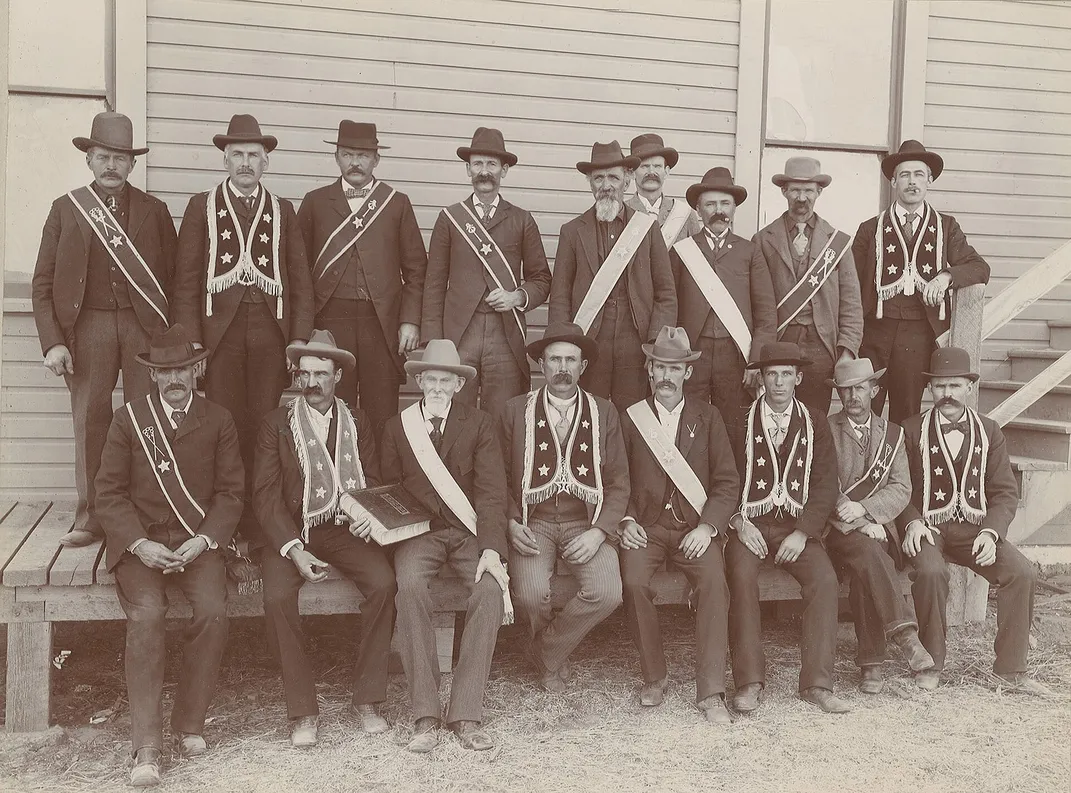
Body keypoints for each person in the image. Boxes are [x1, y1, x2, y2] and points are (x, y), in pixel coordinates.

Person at [93, 324, 244, 787]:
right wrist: (140, 543)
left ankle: (190, 723)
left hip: (197, 541)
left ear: (196, 369)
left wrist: (203, 540)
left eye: (180, 369)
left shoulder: (219, 419)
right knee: (146, 616)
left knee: (214, 610)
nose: (173, 379)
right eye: (163, 372)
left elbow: (231, 493)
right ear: (152, 376)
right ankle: (147, 746)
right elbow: (109, 493)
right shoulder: (129, 419)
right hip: (143, 544)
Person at [31, 111, 177, 548]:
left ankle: (147, 512)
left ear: (132, 165)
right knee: (91, 422)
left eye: (120, 158)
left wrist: (174, 343)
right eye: (103, 157)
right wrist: (53, 341)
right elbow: (42, 282)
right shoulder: (66, 209)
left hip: (142, 328)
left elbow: (173, 282)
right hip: (87, 326)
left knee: (145, 420)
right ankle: (92, 518)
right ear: (89, 160)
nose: (112, 166)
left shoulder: (155, 211)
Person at [171, 113, 314, 539]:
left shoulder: (282, 210)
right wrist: (195, 345)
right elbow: (186, 281)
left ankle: (260, 517)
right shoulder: (202, 206)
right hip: (220, 337)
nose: (246, 163)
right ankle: (226, 517)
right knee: (225, 422)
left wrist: (299, 341)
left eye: (254, 155)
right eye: (237, 155)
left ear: (266, 162)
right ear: (225, 160)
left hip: (271, 336)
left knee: (265, 423)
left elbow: (300, 282)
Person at [252, 330, 396, 747]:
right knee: (278, 597)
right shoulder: (276, 424)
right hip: (290, 533)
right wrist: (292, 549)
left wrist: (368, 517)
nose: (310, 382)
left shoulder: (358, 421)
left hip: (341, 529)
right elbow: (264, 494)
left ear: (338, 377)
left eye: (320, 374)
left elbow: (375, 483)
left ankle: (367, 699)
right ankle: (302, 711)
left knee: (384, 583)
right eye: (304, 373)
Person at [381, 339, 510, 753]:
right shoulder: (397, 427)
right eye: (430, 379)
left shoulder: (480, 423)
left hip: (469, 534)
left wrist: (491, 547)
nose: (437, 387)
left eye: (446, 380)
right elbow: (387, 490)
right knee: (410, 589)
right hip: (419, 535)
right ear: (419, 381)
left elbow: (491, 492)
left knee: (491, 589)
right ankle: (424, 714)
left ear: (458, 384)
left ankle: (466, 712)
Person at [896, 347, 1050, 695]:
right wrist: (911, 521)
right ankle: (931, 663)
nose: (947, 394)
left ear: (969, 387)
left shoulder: (990, 431)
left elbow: (1004, 493)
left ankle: (1011, 669)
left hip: (974, 529)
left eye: (954, 385)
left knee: (1022, 571)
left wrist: (992, 532)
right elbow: (899, 488)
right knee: (932, 571)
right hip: (927, 527)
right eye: (939, 386)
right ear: (930, 389)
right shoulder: (910, 430)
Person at [618, 326, 739, 723]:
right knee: (634, 581)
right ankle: (654, 676)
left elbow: (726, 482)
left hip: (694, 529)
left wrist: (707, 529)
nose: (666, 376)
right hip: (648, 528)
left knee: (714, 585)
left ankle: (711, 691)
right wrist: (627, 518)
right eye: (659, 367)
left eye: (675, 368)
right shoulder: (632, 418)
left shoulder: (710, 416)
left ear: (688, 373)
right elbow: (618, 478)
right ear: (649, 370)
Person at [500, 321, 629, 692]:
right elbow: (495, 479)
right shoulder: (513, 411)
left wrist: (599, 531)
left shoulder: (604, 412)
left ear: (582, 367)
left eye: (570, 360)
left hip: (584, 521)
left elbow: (619, 481)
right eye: (554, 359)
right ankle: (552, 659)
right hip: (532, 520)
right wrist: (511, 521)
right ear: (541, 364)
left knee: (608, 592)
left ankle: (546, 653)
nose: (562, 368)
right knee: (528, 593)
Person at [725, 342, 849, 714]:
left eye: (785, 375)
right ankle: (748, 682)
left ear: (799, 378)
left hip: (796, 527)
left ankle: (817, 684)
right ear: (761, 379)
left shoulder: (815, 420)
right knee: (741, 577)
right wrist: (737, 522)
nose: (778, 382)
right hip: (749, 524)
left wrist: (803, 532)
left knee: (824, 580)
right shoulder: (739, 418)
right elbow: (723, 479)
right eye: (771, 374)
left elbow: (827, 483)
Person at [296, 120, 426, 436]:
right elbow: (297, 272)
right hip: (329, 321)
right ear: (337, 157)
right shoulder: (315, 201)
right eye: (348, 154)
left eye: (363, 155)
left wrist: (409, 321)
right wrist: (301, 331)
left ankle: (378, 483)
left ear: (376, 159)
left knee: (380, 410)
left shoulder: (396, 203)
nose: (355, 162)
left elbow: (417, 271)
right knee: (328, 405)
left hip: (379, 324)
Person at [853, 141, 990, 423]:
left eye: (918, 174)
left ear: (929, 180)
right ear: (893, 181)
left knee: (907, 414)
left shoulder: (945, 226)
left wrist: (947, 276)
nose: (912, 181)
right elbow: (850, 284)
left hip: (917, 336)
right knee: (864, 411)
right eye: (904, 175)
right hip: (873, 334)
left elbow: (979, 267)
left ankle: (902, 469)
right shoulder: (870, 228)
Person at [422, 127, 551, 422]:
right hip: (459, 333)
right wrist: (433, 342)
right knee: (455, 415)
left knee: (502, 415)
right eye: (478, 164)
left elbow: (541, 279)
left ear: (504, 170)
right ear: (468, 169)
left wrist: (517, 296)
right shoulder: (450, 218)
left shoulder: (521, 219)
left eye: (492, 164)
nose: (484, 171)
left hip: (503, 332)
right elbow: (434, 283)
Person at [825, 357, 934, 693]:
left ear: (874, 389)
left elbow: (902, 487)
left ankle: (871, 666)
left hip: (876, 529)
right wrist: (858, 520)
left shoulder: (894, 435)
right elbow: (821, 484)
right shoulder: (826, 429)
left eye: (859, 387)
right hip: (837, 531)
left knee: (867, 564)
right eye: (846, 390)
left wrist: (869, 512)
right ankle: (906, 637)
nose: (853, 395)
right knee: (867, 553)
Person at [548, 141, 677, 410]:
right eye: (598, 178)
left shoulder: (646, 229)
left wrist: (654, 345)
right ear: (590, 183)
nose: (606, 185)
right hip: (588, 344)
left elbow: (666, 294)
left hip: (636, 345)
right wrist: (564, 347)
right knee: (588, 414)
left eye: (613, 177)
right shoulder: (572, 231)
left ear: (628, 180)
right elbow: (559, 295)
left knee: (632, 418)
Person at [671, 166, 777, 458]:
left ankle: (732, 497)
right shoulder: (682, 252)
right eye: (711, 204)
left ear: (733, 208)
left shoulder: (750, 251)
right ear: (698, 209)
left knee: (735, 432)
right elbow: (669, 305)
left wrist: (755, 362)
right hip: (694, 354)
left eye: (725, 204)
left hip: (735, 357)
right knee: (689, 426)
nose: (719, 211)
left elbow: (766, 314)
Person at [753, 157, 863, 414]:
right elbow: (755, 304)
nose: (801, 198)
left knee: (815, 419)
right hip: (780, 340)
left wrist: (847, 350)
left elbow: (851, 303)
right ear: (784, 191)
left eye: (808, 191)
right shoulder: (763, 240)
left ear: (819, 192)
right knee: (776, 415)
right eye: (795, 190)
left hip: (821, 345)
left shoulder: (837, 242)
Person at [626, 133, 703, 248]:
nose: (651, 172)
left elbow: (697, 260)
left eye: (657, 166)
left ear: (666, 172)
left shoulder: (685, 215)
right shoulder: (623, 212)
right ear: (632, 173)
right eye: (644, 166)